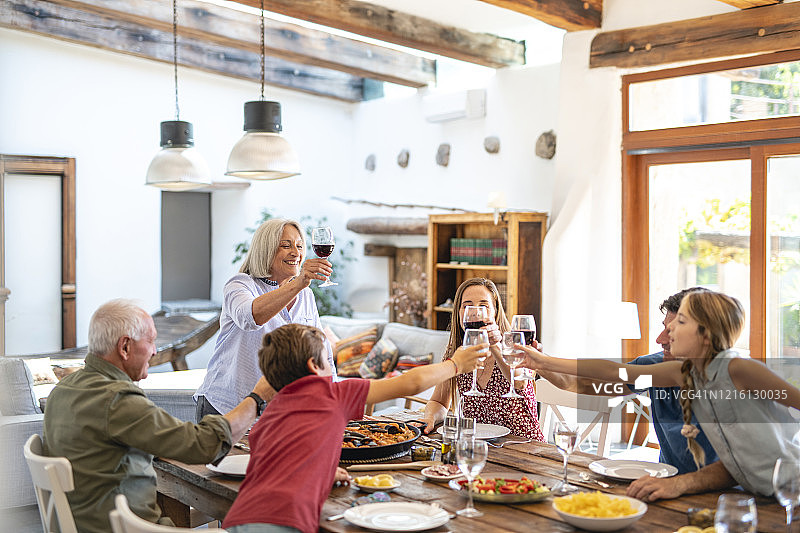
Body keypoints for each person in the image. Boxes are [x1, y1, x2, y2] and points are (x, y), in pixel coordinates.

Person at [521, 290, 800, 499]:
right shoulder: (681, 372)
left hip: (789, 488)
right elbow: (614, 372)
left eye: (679, 322)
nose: (665, 334)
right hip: (759, 493)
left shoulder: (740, 369)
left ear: (706, 335)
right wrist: (543, 361)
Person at [220, 323, 486, 533]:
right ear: (314, 366)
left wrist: (322, 470)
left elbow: (279, 463)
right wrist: (455, 365)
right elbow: (411, 383)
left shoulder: (268, 416)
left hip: (241, 516)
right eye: (328, 359)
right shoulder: (332, 393)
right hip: (285, 521)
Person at [43, 299, 271, 533]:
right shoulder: (116, 400)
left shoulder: (62, 391)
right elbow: (204, 445)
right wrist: (257, 398)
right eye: (151, 341)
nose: (154, 351)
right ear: (125, 347)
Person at [539, 288, 719, 475]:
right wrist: (536, 363)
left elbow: (731, 469)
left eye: (672, 330)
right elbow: (579, 383)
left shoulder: (726, 380)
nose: (660, 339)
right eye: (665, 328)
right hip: (667, 480)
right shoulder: (652, 365)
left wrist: (542, 361)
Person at [195, 218, 333, 420]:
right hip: (226, 407)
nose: (296, 253)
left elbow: (322, 350)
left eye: (299, 246)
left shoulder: (305, 295)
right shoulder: (239, 285)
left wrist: (333, 397)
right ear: (266, 249)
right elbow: (250, 317)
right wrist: (299, 282)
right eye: (285, 245)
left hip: (275, 412)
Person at [422, 277, 544, 441]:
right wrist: (429, 418)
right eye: (467, 306)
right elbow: (439, 402)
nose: (475, 312)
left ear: (495, 311)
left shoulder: (514, 342)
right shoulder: (458, 353)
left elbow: (519, 382)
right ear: (459, 313)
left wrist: (495, 345)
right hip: (480, 447)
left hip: (525, 446)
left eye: (484, 306)